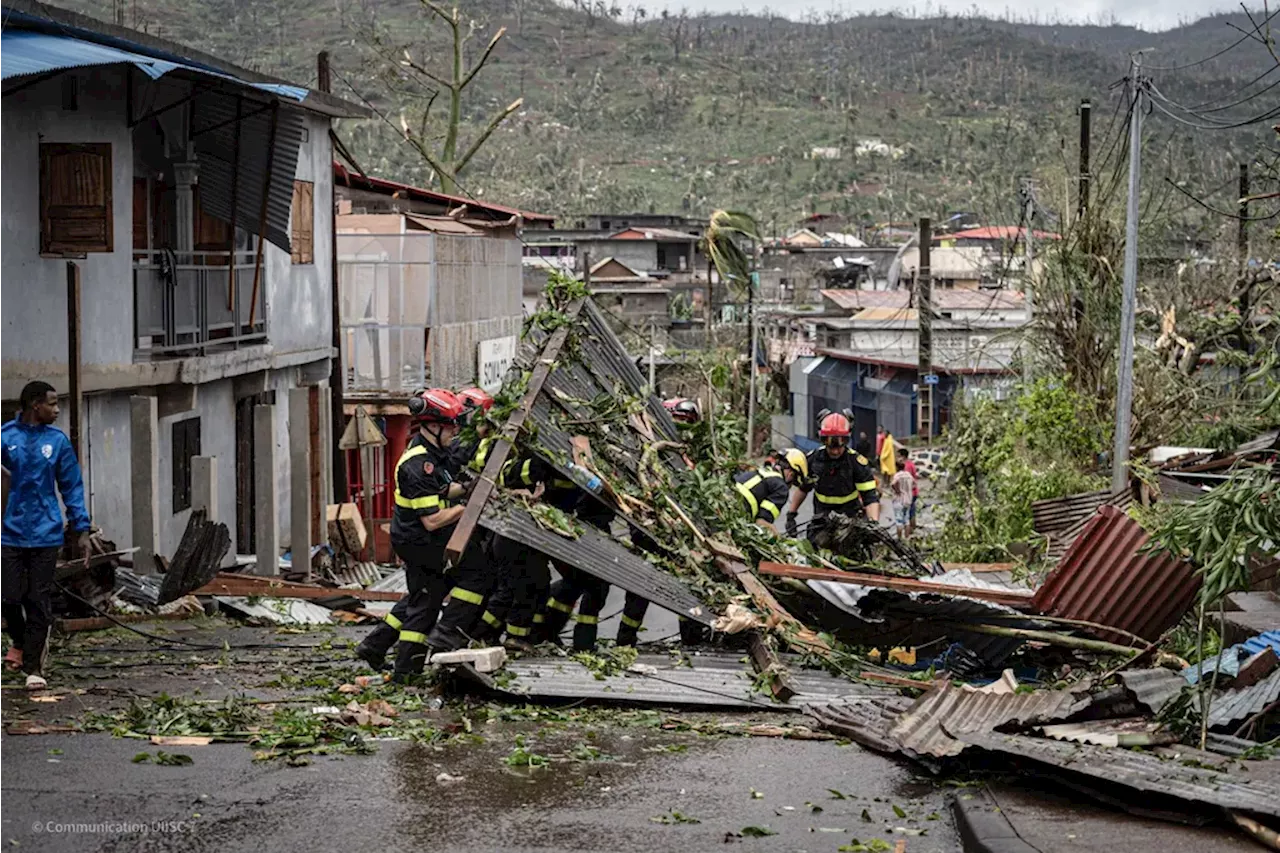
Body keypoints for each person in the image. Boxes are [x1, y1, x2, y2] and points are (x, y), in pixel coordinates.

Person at [354, 388, 476, 679]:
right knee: (426, 602)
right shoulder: (417, 465)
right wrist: (468, 507)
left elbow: (443, 489)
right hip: (418, 541)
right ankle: (405, 672)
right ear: (432, 426)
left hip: (419, 539)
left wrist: (470, 489)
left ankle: (375, 645)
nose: (454, 432)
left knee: (421, 595)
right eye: (450, 427)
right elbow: (432, 520)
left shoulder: (434, 454)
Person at [0, 381, 91, 690]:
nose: (57, 409)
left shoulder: (58, 442)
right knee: (8, 597)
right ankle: (21, 641)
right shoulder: (5, 437)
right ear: (35, 405)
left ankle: (33, 668)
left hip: (46, 533)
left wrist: (81, 528)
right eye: (52, 404)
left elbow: (72, 486)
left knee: (37, 599)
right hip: (9, 533)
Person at [785, 412, 879, 541]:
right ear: (823, 440)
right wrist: (791, 515)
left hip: (850, 518)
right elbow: (803, 489)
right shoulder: (814, 459)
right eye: (830, 444)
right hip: (822, 518)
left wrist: (874, 524)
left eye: (840, 445)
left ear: (846, 440)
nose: (835, 451)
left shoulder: (856, 463)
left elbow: (870, 497)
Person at [734, 449, 803, 531]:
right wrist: (778, 538)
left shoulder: (761, 470)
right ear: (790, 475)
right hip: (738, 512)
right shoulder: (782, 488)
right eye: (793, 482)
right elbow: (761, 522)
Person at [890, 452, 915, 540]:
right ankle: (907, 538)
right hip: (908, 500)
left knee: (899, 520)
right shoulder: (909, 475)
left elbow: (893, 483)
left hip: (899, 500)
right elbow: (914, 484)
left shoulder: (897, 475)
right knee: (906, 520)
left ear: (896, 467)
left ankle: (899, 539)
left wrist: (897, 490)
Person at [901, 452, 921, 536]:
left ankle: (909, 530)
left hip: (910, 493)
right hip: (914, 492)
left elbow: (908, 481)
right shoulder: (911, 464)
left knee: (907, 512)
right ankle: (913, 528)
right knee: (912, 510)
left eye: (899, 456)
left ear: (903, 456)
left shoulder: (907, 466)